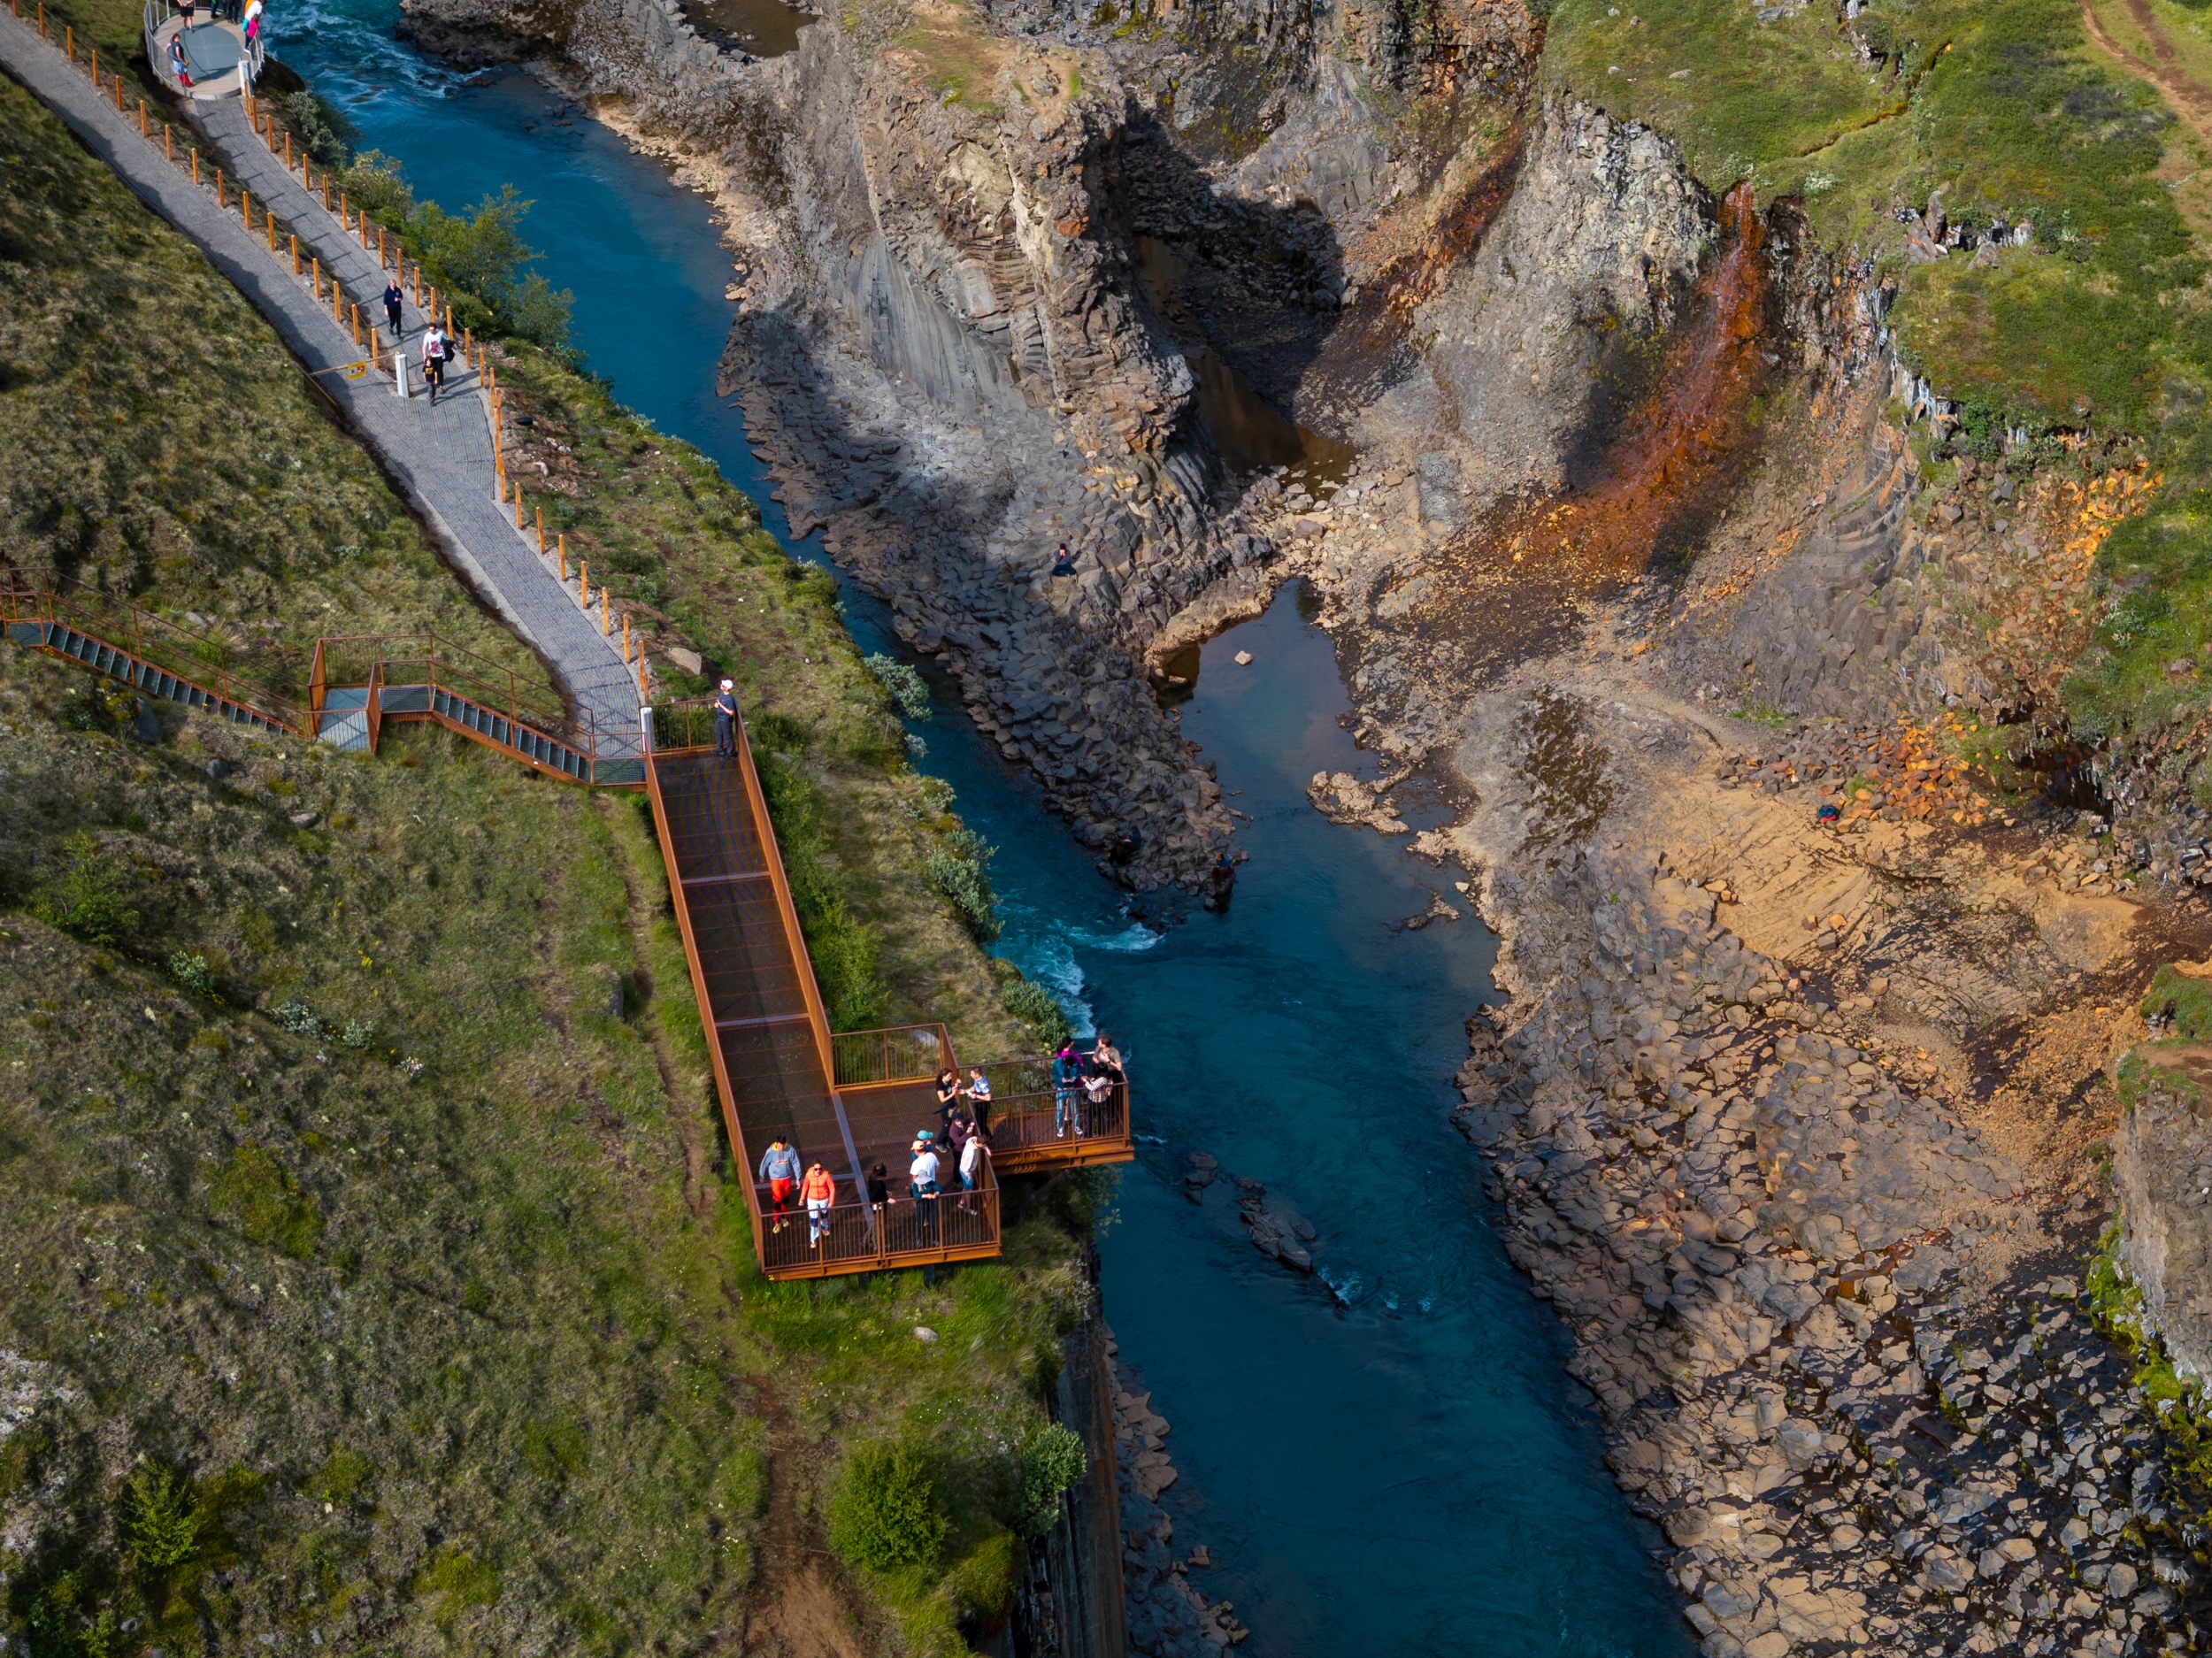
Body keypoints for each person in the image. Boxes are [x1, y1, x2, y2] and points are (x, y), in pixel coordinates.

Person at [757, 1135, 801, 1234]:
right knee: (778, 1201)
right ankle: (777, 1221)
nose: (781, 1147)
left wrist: (798, 1178)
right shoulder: (770, 1152)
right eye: (779, 1145)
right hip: (775, 1179)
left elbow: (795, 1163)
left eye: (783, 1145)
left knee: (785, 1200)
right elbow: (764, 1163)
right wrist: (761, 1175)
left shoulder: (790, 1150)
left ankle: (784, 1217)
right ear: (776, 1143)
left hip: (787, 1179)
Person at [910, 1136, 942, 1241]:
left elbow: (914, 1179)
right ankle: (934, 1239)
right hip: (931, 1186)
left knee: (920, 1217)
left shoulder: (916, 1163)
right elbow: (938, 1166)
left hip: (921, 1188)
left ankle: (919, 1239)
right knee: (932, 1216)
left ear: (916, 1150)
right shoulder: (932, 1155)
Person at [1051, 1041, 1084, 1140]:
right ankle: (1060, 1128)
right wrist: (1060, 1079)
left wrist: (1075, 1077)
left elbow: (1079, 1073)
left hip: (1072, 1089)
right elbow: (1054, 1074)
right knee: (1060, 1109)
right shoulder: (1057, 1063)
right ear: (1064, 1061)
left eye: (1071, 1066)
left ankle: (1076, 1126)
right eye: (1068, 1066)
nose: (1069, 1067)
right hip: (1061, 1089)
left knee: (1075, 1109)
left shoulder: (1075, 1062)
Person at [801, 1160, 836, 1248]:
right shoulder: (809, 1175)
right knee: (814, 1221)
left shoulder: (826, 1175)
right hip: (812, 1199)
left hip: (824, 1199)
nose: (818, 1171)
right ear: (813, 1168)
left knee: (824, 1215)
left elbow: (832, 1188)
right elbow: (805, 1187)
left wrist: (831, 1202)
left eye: (819, 1169)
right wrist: (802, 1198)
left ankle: (824, 1227)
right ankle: (814, 1240)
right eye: (816, 1169)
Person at [957, 1127, 987, 1213]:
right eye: (984, 1145)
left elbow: (974, 1138)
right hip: (966, 1172)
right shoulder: (971, 1153)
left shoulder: (972, 1140)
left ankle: (961, 1203)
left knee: (966, 1188)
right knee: (969, 1189)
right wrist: (968, 1177)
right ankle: (968, 1207)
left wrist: (986, 1149)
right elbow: (966, 1167)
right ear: (981, 1144)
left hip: (964, 1170)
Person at [962, 1065, 993, 1139]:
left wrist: (975, 1096)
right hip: (978, 1104)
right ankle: (987, 1136)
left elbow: (988, 1098)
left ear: (977, 1074)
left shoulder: (983, 1084)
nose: (970, 1075)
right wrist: (966, 1091)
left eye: (972, 1074)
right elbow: (975, 1087)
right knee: (978, 1122)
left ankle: (986, 1137)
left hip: (983, 1106)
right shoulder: (977, 1079)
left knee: (981, 1123)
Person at [711, 678, 738, 757]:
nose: (720, 685)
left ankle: (730, 751)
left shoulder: (730, 699)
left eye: (722, 685)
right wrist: (717, 704)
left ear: (726, 688)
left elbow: (731, 712)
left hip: (726, 719)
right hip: (720, 718)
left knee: (727, 736)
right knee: (718, 732)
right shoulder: (722, 694)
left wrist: (721, 705)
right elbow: (717, 703)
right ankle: (719, 748)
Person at [420, 322, 447, 402]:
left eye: (433, 330)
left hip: (439, 355)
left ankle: (441, 385)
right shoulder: (427, 335)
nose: (431, 331)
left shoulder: (440, 333)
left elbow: (448, 341)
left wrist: (443, 346)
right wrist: (424, 355)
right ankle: (431, 383)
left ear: (436, 329)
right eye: (430, 330)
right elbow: (424, 345)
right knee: (431, 369)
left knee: (439, 370)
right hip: (431, 355)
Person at [933, 1066, 962, 1131]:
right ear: (943, 1076)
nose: (951, 1078)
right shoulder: (940, 1085)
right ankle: (941, 1140)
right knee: (947, 1124)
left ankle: (952, 1138)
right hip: (946, 1107)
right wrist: (952, 1094)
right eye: (949, 1076)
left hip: (952, 1106)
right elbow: (942, 1099)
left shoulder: (949, 1082)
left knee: (953, 1122)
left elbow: (951, 1090)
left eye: (951, 1076)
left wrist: (958, 1085)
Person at [382, 276, 404, 341]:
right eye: (393, 285)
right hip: (390, 309)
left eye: (395, 285)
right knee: (393, 320)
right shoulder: (387, 291)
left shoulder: (398, 290)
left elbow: (402, 297)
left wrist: (398, 299)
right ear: (390, 284)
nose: (394, 286)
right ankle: (391, 327)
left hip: (398, 308)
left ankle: (398, 334)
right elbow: (385, 301)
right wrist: (386, 310)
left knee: (399, 322)